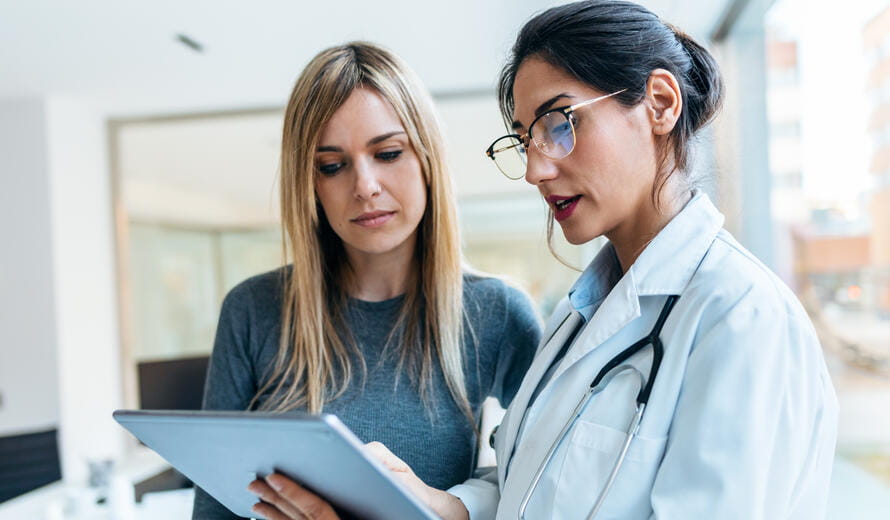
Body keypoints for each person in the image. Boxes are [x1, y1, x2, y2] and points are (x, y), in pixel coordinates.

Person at [249, 2, 839, 519]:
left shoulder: (741, 319)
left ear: (660, 103)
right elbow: (524, 489)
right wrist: (437, 506)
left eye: (560, 124)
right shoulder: (579, 316)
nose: (535, 169)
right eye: (525, 138)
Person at [192, 41, 542, 519]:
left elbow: (547, 486)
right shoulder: (253, 310)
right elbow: (214, 509)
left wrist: (455, 509)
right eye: (332, 166)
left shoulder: (496, 313)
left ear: (426, 159)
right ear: (309, 184)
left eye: (389, 152)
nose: (365, 186)